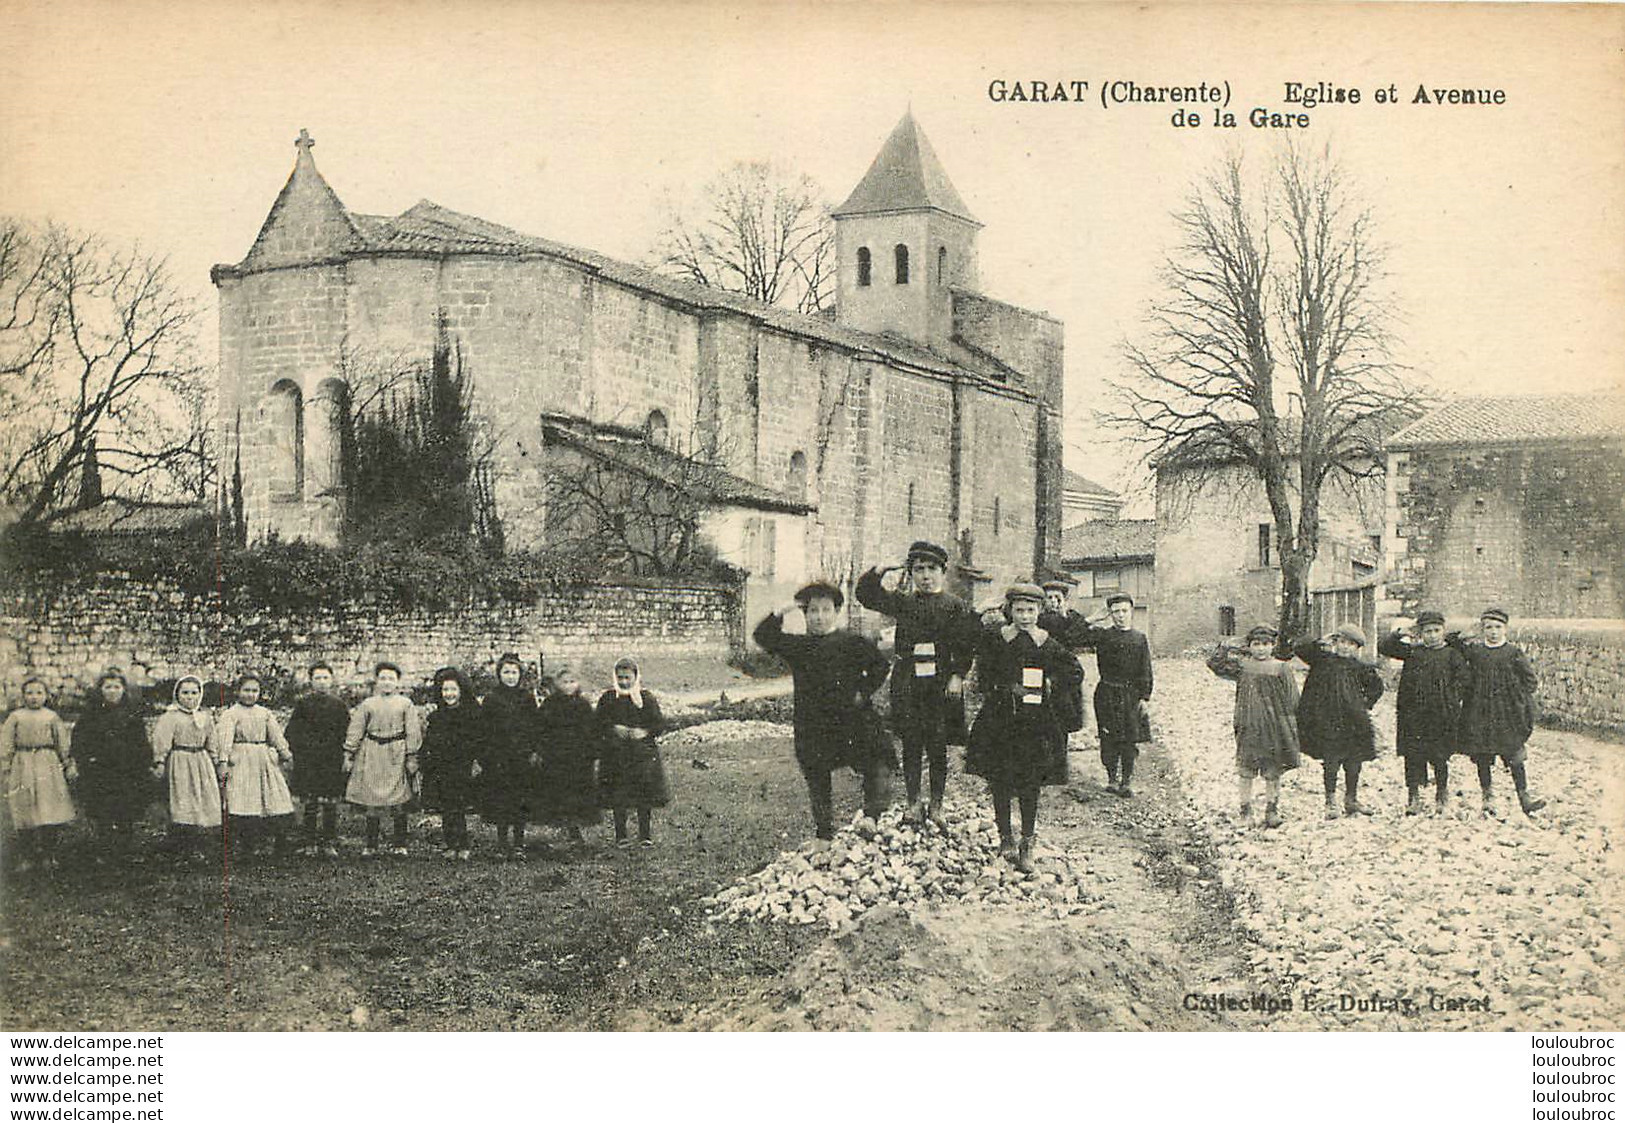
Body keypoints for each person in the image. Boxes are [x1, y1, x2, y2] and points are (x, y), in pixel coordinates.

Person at [753, 580, 893, 842]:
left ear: (836, 612)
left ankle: (871, 816)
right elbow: (763, 637)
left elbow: (880, 667)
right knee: (817, 775)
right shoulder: (798, 646)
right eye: (813, 611)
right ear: (805, 615)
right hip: (813, 723)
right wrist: (783, 611)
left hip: (852, 720)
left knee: (877, 759)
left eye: (826, 610)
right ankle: (824, 834)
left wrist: (862, 692)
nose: (819, 617)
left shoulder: (852, 641)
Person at [855, 540, 978, 826]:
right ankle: (912, 803)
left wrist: (958, 675)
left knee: (937, 745)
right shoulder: (903, 602)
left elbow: (966, 644)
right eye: (918, 569)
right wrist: (879, 570)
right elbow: (867, 595)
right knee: (911, 743)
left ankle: (936, 805)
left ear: (942, 572)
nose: (925, 575)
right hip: (909, 681)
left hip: (941, 683)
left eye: (931, 569)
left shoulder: (955, 606)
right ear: (911, 573)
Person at [966, 583, 1083, 874]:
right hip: (1001, 720)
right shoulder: (997, 639)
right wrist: (1005, 687)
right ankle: (1005, 837)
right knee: (1001, 779)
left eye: (1031, 610)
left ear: (1040, 611)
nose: (1025, 616)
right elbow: (983, 675)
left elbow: (1075, 671)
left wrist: (1050, 684)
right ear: (1010, 611)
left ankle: (1027, 841)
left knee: (1030, 783)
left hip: (1035, 724)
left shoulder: (1047, 642)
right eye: (1019, 610)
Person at [1450, 607, 1546, 817]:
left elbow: (1530, 682)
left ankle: (1524, 796)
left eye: (1498, 627)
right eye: (1488, 627)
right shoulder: (1475, 651)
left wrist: (1514, 698)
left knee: (1515, 754)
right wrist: (1465, 633)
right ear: (1482, 629)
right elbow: (1452, 644)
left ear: (1506, 629)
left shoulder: (1513, 653)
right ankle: (1488, 797)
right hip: (1479, 710)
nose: (1493, 632)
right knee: (1482, 754)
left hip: (1507, 713)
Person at [1207, 625, 1300, 828]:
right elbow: (1215, 664)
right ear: (1249, 646)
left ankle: (1271, 809)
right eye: (1256, 644)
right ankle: (1245, 811)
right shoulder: (1243, 666)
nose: (1261, 649)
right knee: (1246, 769)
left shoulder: (1281, 668)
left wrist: (1291, 726)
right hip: (1248, 723)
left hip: (1274, 726)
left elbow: (1293, 698)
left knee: (1273, 770)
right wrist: (1228, 645)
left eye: (1266, 644)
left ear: (1273, 646)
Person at [1378, 610, 1469, 815]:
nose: (1432, 635)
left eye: (1437, 630)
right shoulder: (1413, 652)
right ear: (1420, 633)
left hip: (1441, 713)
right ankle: (1414, 796)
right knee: (1412, 755)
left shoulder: (1452, 654)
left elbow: (1463, 679)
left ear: (1443, 631)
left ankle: (1441, 794)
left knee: (1439, 755)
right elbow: (1385, 647)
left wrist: (1452, 699)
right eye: (1427, 631)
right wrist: (1401, 632)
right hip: (1414, 713)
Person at [1066, 593, 1154, 796]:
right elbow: (1072, 637)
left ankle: (1126, 781)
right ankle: (1112, 778)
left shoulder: (1139, 639)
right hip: (1106, 692)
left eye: (1124, 611)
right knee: (1108, 737)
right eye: (1115, 612)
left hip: (1131, 695)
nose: (1120, 616)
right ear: (1110, 614)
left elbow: (1146, 670)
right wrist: (1092, 619)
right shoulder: (1103, 635)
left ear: (1131, 611)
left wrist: (1144, 697)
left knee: (1129, 738)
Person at [1293, 624, 1384, 820]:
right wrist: (1321, 641)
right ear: (1336, 643)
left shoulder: (1361, 668)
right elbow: (1300, 648)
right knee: (1331, 761)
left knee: (1354, 761)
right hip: (1328, 721)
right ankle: (1330, 801)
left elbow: (1377, 687)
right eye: (1342, 642)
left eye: (1350, 644)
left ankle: (1351, 799)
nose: (1345, 647)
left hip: (1353, 722)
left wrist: (1364, 704)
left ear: (1357, 648)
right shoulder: (1323, 660)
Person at [73, 669, 155, 863]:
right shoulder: (90, 715)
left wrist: (142, 764)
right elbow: (79, 741)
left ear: (124, 690)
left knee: (125, 810)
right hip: (100, 772)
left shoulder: (132, 714)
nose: (112, 691)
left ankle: (125, 849)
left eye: (117, 687)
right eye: (107, 687)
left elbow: (141, 743)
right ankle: (105, 850)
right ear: (100, 689)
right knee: (103, 811)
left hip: (126, 772)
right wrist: (86, 761)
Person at [343, 662, 422, 857]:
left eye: (391, 678)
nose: (387, 682)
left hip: (397, 753)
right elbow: (356, 729)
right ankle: (371, 844)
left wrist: (412, 756)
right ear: (377, 681)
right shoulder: (368, 704)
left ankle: (400, 843)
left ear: (397, 682)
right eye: (383, 678)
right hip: (372, 754)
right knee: (372, 798)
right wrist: (349, 753)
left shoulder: (406, 704)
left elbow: (413, 731)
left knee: (399, 798)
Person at [1, 678, 76, 872]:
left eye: (39, 693)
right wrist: (6, 767)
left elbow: (62, 743)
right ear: (23, 695)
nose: (34, 697)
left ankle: (49, 854)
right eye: (30, 693)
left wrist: (67, 763)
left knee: (48, 807)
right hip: (22, 763)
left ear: (46, 695)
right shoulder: (15, 717)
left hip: (47, 763)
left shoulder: (51, 717)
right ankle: (27, 855)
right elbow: (6, 744)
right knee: (24, 808)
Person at [218, 673, 295, 861]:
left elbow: (276, 736)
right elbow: (225, 740)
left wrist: (286, 754)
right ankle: (245, 847)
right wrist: (223, 761)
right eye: (246, 690)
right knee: (243, 802)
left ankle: (278, 845)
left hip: (263, 759)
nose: (250, 695)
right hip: (241, 759)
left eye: (254, 691)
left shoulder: (265, 713)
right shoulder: (231, 714)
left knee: (274, 799)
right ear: (237, 691)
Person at [596, 656, 669, 848]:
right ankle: (621, 835)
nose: (624, 682)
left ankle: (645, 834)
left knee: (643, 793)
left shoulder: (645, 698)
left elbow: (659, 724)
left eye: (628, 678)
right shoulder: (609, 698)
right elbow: (598, 722)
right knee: (618, 793)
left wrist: (643, 731)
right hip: (616, 754)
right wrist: (614, 728)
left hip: (641, 755)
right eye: (620, 678)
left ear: (635, 677)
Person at [150, 675, 223, 861]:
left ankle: (200, 846)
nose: (189, 697)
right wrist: (160, 761)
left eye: (194, 692)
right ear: (177, 694)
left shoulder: (205, 717)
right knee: (182, 801)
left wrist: (216, 761)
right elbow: (161, 740)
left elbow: (212, 741)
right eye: (185, 693)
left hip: (201, 762)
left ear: (200, 694)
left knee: (201, 801)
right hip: (180, 762)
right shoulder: (170, 717)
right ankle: (180, 846)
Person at [535, 662, 602, 849]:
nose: (569, 686)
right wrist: (543, 750)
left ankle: (575, 831)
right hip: (556, 759)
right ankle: (562, 830)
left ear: (578, 683)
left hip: (579, 759)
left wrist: (592, 752)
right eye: (565, 682)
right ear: (557, 684)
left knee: (577, 795)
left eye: (573, 681)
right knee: (559, 795)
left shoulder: (583, 705)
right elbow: (541, 729)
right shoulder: (550, 705)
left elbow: (592, 731)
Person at [286, 662, 350, 857]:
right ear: (311, 681)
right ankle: (310, 841)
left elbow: (346, 731)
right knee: (310, 802)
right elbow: (293, 731)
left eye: (325, 678)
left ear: (331, 680)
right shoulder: (303, 704)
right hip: (309, 760)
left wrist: (344, 754)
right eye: (317, 678)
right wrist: (300, 751)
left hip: (331, 759)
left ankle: (329, 841)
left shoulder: (338, 705)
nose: (322, 682)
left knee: (330, 802)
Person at [480, 652, 539, 859]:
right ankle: (502, 844)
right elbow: (484, 730)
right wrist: (487, 757)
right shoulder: (491, 698)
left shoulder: (527, 697)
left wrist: (533, 751)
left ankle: (519, 843)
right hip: (499, 758)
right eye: (506, 672)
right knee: (501, 800)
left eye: (514, 672)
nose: (510, 676)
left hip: (521, 757)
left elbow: (535, 727)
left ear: (520, 674)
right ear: (499, 674)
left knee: (519, 800)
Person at [420, 667, 483, 860]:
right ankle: (450, 844)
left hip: (462, 766)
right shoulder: (437, 717)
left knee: (459, 807)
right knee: (447, 806)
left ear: (461, 691)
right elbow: (429, 742)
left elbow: (478, 741)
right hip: (442, 767)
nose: (449, 694)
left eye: (453, 690)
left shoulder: (471, 715)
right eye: (445, 690)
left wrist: (476, 762)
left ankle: (463, 844)